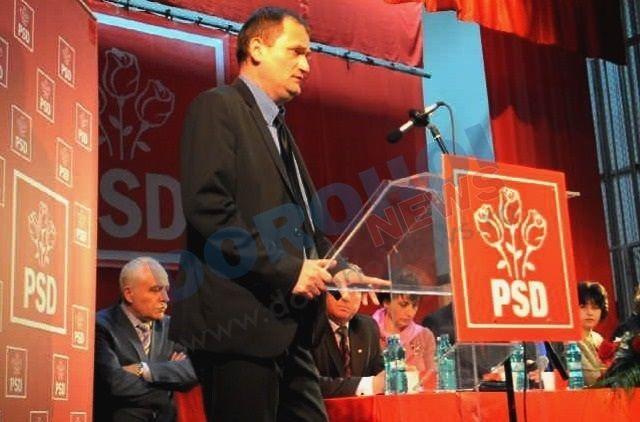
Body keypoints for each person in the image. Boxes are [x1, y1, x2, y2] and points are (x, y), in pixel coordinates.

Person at [171, 6, 386, 421]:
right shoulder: (217, 107)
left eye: (308, 55)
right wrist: (290, 271)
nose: (306, 66)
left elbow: (306, 228)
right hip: (237, 329)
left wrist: (339, 268)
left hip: (291, 331)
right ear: (256, 48)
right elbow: (208, 209)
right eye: (296, 52)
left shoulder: (280, 130)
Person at [94, 257, 197, 422]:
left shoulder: (173, 327)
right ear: (129, 294)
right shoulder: (101, 325)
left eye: (166, 290)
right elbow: (114, 383)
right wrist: (167, 383)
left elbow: (193, 371)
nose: (165, 298)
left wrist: (143, 370)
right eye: (156, 290)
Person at [311, 291, 385, 397]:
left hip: (361, 406)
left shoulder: (367, 327)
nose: (346, 298)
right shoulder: (308, 328)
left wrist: (396, 374)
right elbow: (309, 384)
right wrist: (368, 385)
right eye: (338, 291)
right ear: (323, 294)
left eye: (353, 291)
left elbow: (379, 372)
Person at [374, 282, 436, 384]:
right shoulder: (368, 331)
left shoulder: (425, 336)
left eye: (414, 306)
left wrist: (417, 377)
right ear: (386, 302)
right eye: (403, 305)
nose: (410, 313)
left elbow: (432, 380)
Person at [577, 281, 609, 386]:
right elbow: (590, 378)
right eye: (583, 306)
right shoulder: (565, 341)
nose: (590, 312)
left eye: (595, 307)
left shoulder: (598, 339)